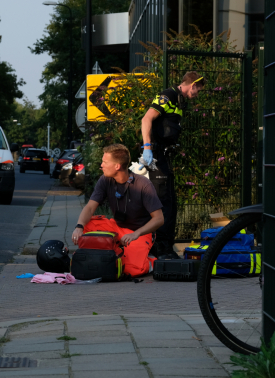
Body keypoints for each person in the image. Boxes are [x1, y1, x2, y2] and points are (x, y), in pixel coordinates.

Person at [71, 144, 164, 277]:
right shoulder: (105, 179)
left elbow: (159, 219)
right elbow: (90, 207)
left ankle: (149, 259)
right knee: (87, 225)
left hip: (138, 233)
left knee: (132, 270)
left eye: (105, 162)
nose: (101, 165)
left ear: (117, 166)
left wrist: (136, 234)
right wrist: (79, 227)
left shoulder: (143, 184)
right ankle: (108, 253)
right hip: (116, 228)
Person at [141, 71, 206, 258]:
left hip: (163, 156)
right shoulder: (168, 96)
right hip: (155, 155)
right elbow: (146, 119)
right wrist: (147, 147)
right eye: (198, 90)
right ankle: (160, 249)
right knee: (163, 201)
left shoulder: (178, 101)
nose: (197, 95)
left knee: (170, 203)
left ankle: (165, 246)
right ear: (193, 85)